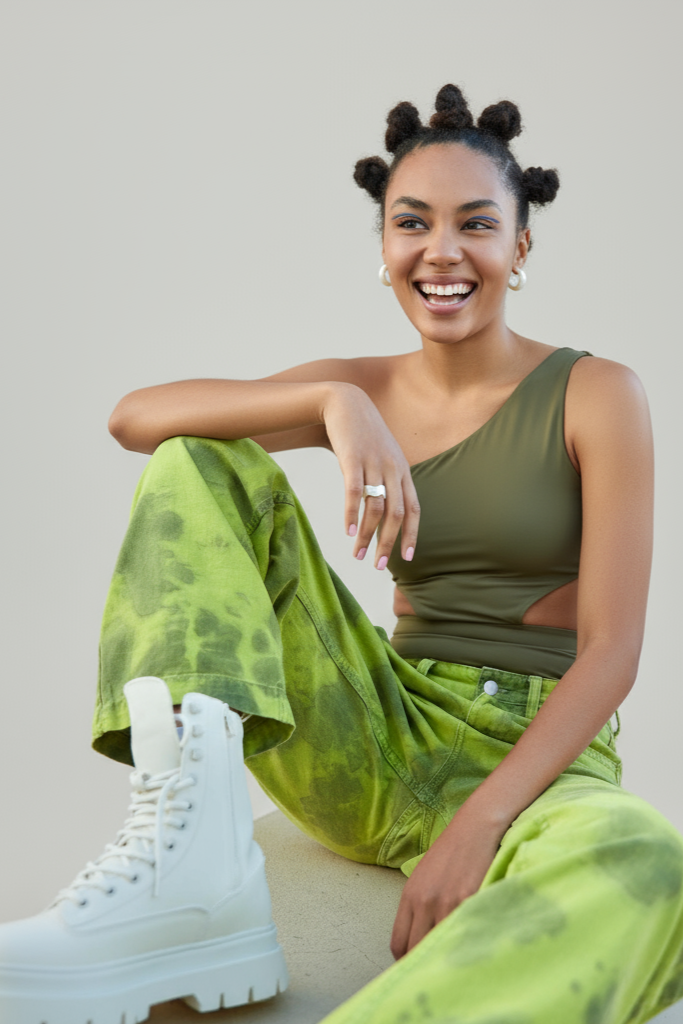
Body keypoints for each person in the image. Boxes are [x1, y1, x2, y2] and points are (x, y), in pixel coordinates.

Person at [2, 83, 683, 1024]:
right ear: (384, 250)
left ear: (519, 248)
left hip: (539, 766)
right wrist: (334, 403)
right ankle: (182, 872)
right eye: (413, 224)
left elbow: (612, 650)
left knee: (649, 857)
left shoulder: (597, 392)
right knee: (202, 461)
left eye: (475, 224)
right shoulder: (361, 385)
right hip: (378, 729)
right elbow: (137, 418)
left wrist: (481, 822)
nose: (441, 252)